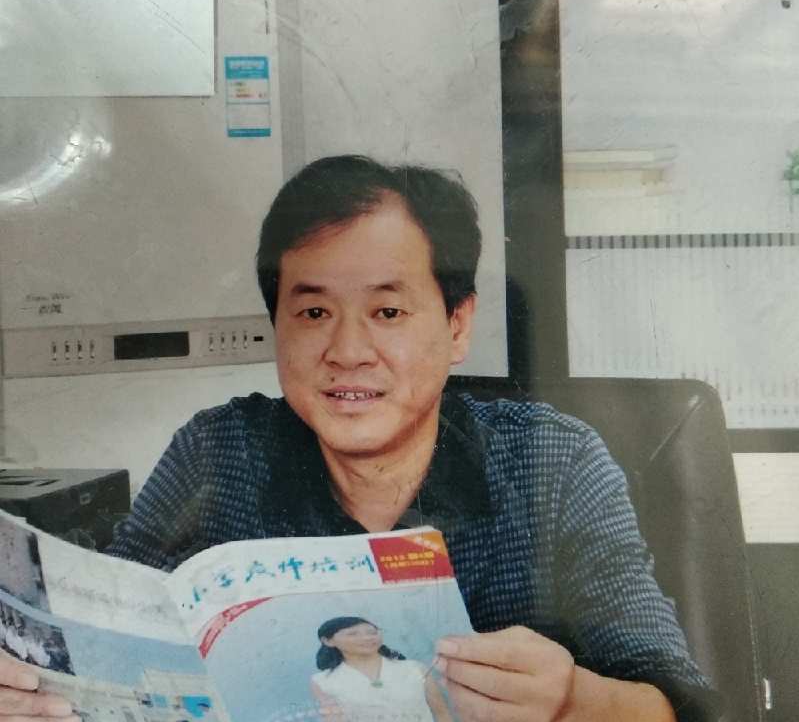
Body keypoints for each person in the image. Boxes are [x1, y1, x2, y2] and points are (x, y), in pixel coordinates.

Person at [0, 155, 719, 722]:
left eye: (387, 311)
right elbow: (99, 649)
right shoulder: (219, 453)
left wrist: (572, 701)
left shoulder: (551, 461)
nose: (346, 351)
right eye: (313, 312)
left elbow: (675, 704)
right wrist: (37, 692)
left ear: (458, 324)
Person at [310, 616, 451, 722]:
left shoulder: (415, 668)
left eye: (372, 632)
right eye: (352, 634)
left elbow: (442, 713)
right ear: (328, 641)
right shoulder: (323, 681)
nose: (367, 638)